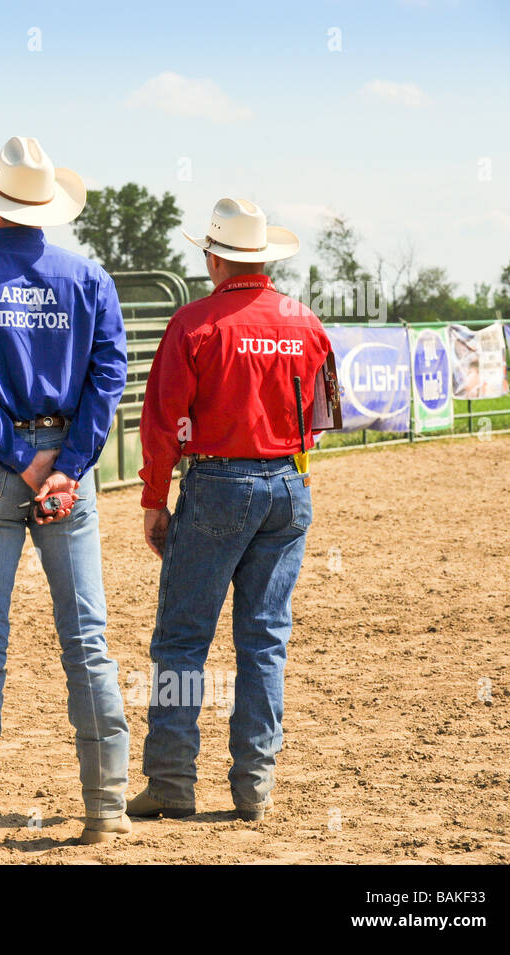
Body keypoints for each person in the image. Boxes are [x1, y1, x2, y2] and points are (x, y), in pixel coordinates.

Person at [0, 136, 131, 849]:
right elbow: (108, 378)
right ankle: (106, 807)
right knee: (88, 642)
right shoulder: (89, 279)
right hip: (69, 460)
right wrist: (68, 464)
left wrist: (21, 458)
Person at [131, 198, 332, 822]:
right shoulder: (306, 322)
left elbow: (162, 423)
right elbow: (323, 418)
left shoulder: (194, 323)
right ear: (265, 258)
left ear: (216, 257)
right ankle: (254, 786)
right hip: (288, 485)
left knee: (183, 640)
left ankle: (170, 781)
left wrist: (154, 499)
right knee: (265, 640)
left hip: (217, 483)